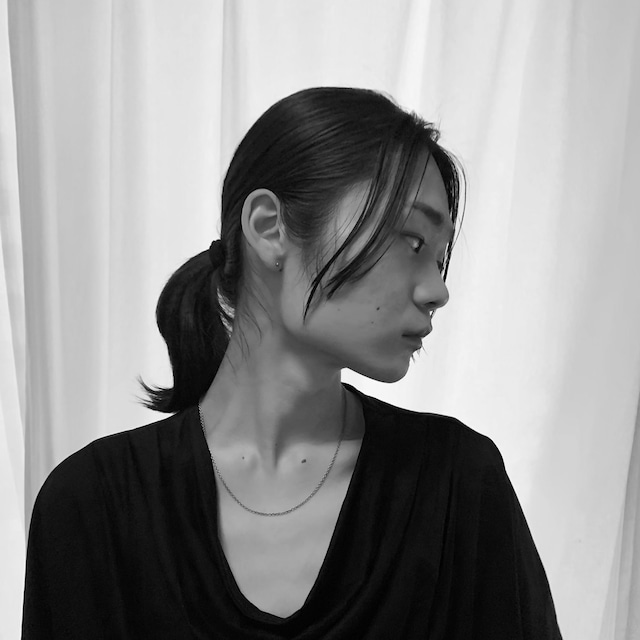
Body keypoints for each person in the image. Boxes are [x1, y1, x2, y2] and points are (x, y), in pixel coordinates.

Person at [21, 86, 563, 638]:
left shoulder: (458, 489)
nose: (437, 291)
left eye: (440, 256)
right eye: (412, 241)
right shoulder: (93, 508)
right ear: (268, 228)